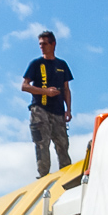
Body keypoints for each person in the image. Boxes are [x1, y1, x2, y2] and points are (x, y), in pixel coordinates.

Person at [21, 31, 73, 178]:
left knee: (63, 145)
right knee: (42, 145)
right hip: (40, 109)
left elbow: (67, 89)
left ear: (53, 44)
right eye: (40, 44)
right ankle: (43, 178)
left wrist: (68, 110)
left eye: (44, 44)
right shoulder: (36, 64)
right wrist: (45, 91)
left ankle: (67, 178)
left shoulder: (62, 65)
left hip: (58, 111)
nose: (42, 47)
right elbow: (24, 86)